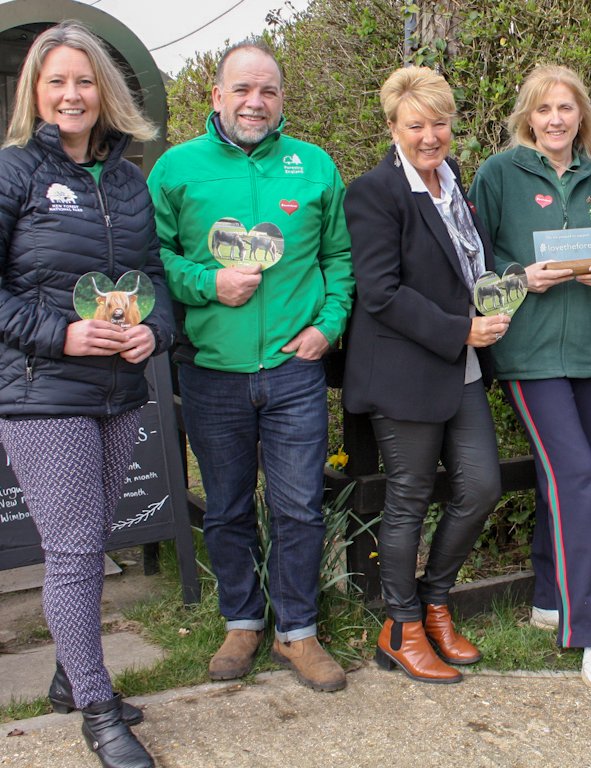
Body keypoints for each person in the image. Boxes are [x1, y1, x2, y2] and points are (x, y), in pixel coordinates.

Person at [148, 40, 354, 692]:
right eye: (241, 89)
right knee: (229, 508)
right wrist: (209, 285)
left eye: (267, 90)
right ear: (216, 96)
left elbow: (339, 261)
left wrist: (327, 326)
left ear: (281, 99)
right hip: (211, 371)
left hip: (294, 371)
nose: (254, 101)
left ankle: (297, 631)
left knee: (298, 508)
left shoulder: (314, 166)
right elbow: (152, 262)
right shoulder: (176, 170)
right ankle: (241, 620)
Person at [0, 20, 174, 768]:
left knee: (91, 542)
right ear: (35, 93)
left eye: (83, 81)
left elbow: (156, 284)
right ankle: (100, 713)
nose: (71, 94)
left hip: (120, 391)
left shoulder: (130, 179)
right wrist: (59, 336)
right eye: (56, 81)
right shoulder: (13, 172)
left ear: (104, 91)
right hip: (44, 394)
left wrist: (153, 334)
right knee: (72, 555)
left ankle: (72, 682)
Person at [470, 64, 591, 689]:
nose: (556, 120)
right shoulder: (498, 174)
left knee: (560, 477)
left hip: (590, 351)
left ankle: (546, 596)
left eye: (566, 108)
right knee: (579, 475)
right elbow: (475, 256)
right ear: (528, 118)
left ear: (581, 116)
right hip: (529, 353)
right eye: (544, 110)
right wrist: (520, 277)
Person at [343, 66, 508, 684]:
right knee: (408, 496)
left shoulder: (452, 181)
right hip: (406, 371)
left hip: (462, 367)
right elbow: (380, 293)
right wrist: (459, 329)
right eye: (416, 125)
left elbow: (467, 264)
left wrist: (494, 304)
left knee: (482, 486)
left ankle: (435, 602)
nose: (430, 135)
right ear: (393, 127)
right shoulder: (375, 193)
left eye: (439, 122)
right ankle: (400, 625)